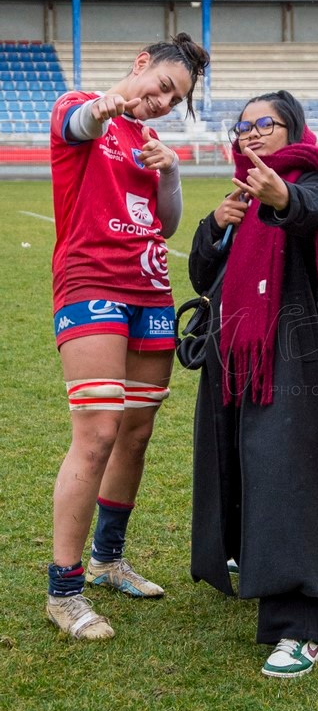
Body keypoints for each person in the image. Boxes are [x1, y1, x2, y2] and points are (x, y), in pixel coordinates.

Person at [187, 90, 318, 678]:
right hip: (234, 352)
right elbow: (202, 272)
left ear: (293, 130)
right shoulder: (240, 194)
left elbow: (313, 211)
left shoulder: (313, 176)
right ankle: (246, 558)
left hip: (294, 352)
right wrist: (215, 226)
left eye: (266, 123)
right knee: (239, 459)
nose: (252, 133)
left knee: (290, 471)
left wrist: (278, 195)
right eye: (244, 125)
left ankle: (299, 627)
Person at [47, 33, 209, 639]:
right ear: (141, 63)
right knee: (97, 434)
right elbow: (80, 124)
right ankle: (63, 591)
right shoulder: (79, 104)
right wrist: (108, 106)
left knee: (136, 434)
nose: (164, 102)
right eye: (163, 86)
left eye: (176, 99)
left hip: (152, 291)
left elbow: (165, 223)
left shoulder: (150, 141)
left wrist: (169, 176)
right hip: (93, 285)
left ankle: (107, 560)